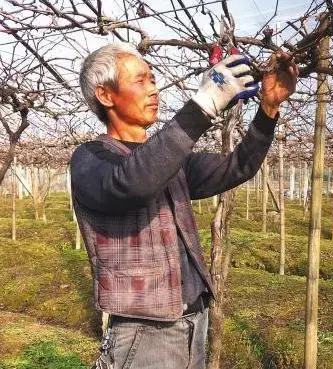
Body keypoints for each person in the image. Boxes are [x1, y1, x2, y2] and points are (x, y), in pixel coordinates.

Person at [71, 42, 298, 369]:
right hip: (144, 333)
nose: (154, 89)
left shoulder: (171, 163)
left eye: (153, 79)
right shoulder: (91, 159)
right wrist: (202, 105)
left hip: (193, 324)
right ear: (106, 95)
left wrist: (268, 109)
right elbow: (132, 183)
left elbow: (239, 166)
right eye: (140, 81)